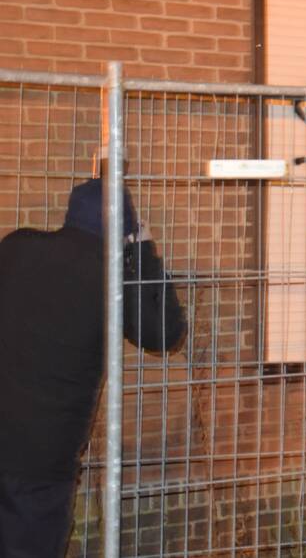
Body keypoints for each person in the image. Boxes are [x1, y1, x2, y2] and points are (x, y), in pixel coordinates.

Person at [0, 178, 185, 557]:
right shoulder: (111, 281)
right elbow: (166, 333)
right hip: (41, 464)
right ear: (124, 230)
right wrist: (144, 250)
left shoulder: (16, 246)